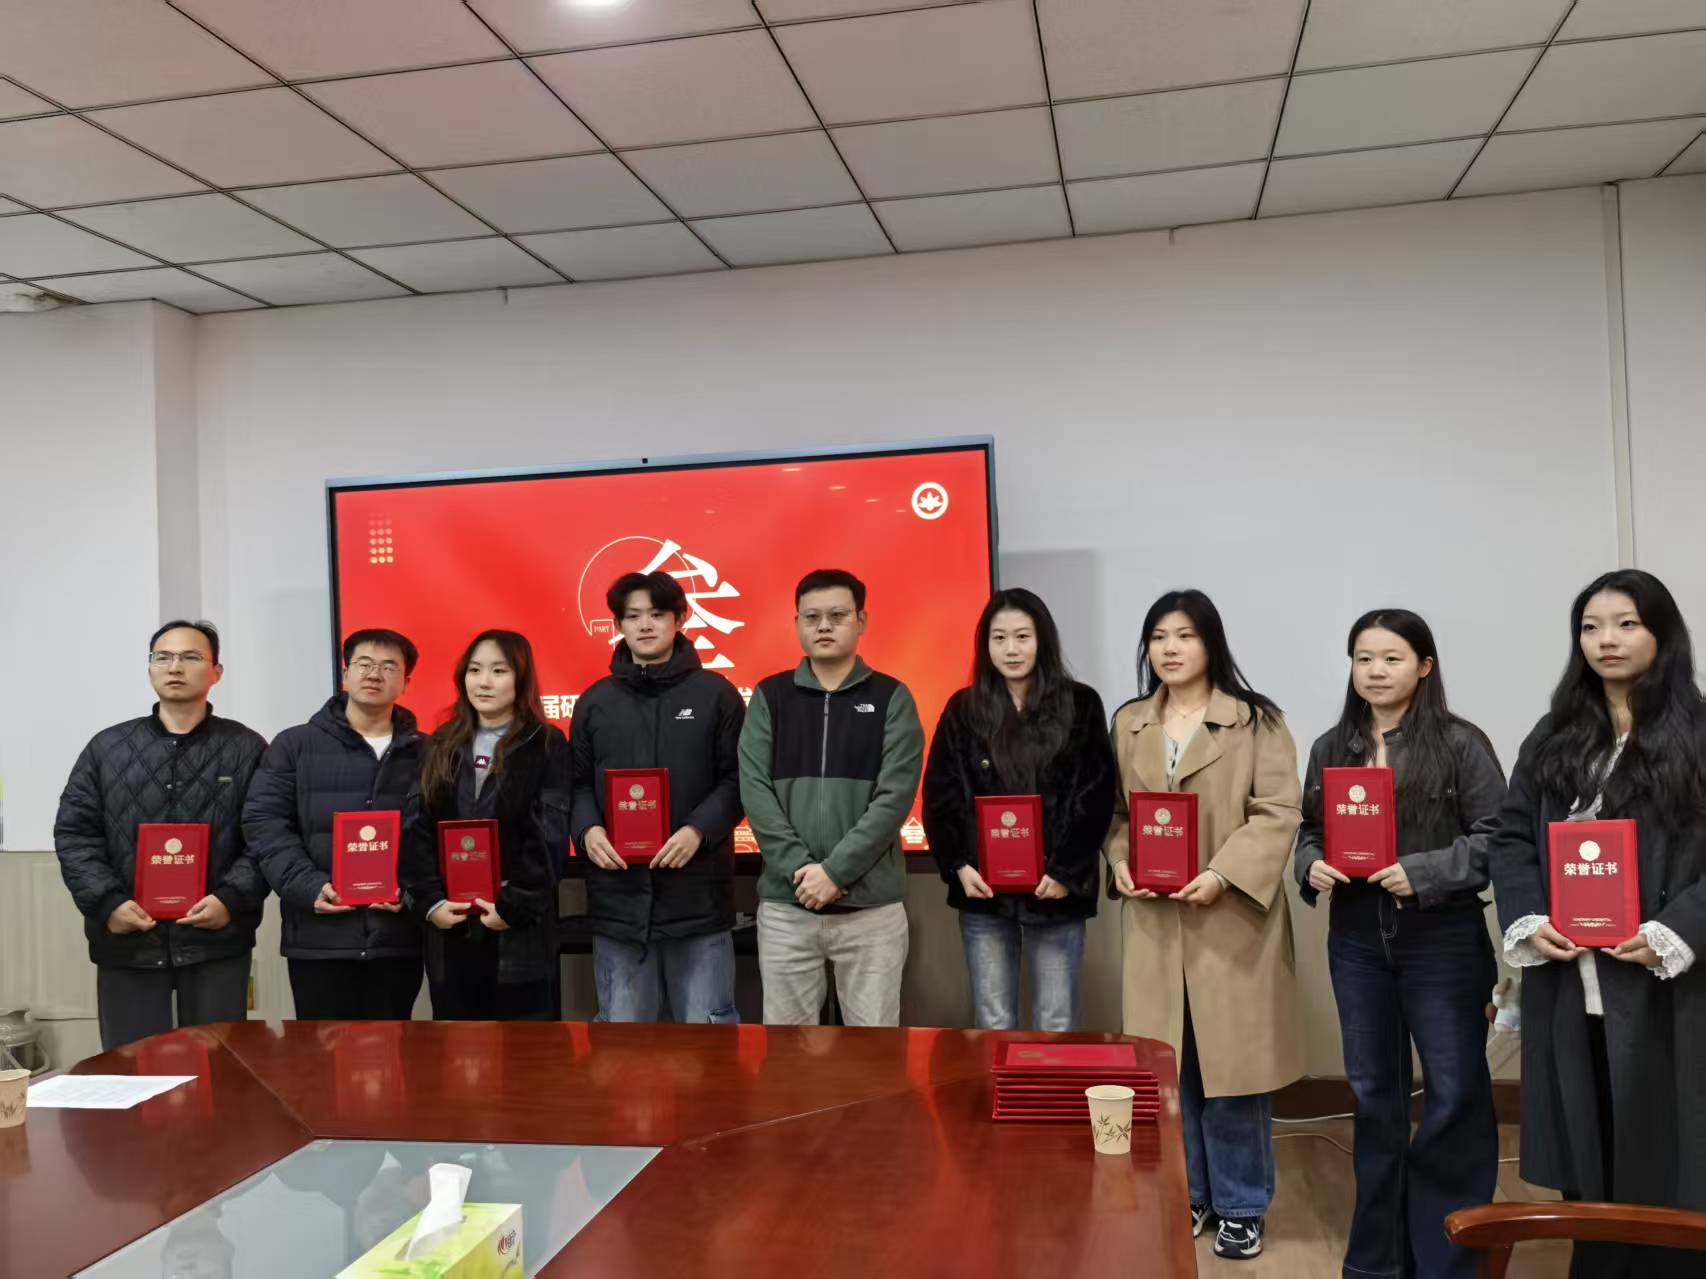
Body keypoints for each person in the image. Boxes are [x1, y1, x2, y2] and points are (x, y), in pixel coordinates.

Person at [1489, 569, 1706, 1279]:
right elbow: (1512, 836)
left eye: (1626, 623)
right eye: (1590, 626)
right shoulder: (1555, 735)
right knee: (1590, 1159)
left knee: (1669, 1159)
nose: (1606, 639)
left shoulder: (1699, 734)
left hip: (1666, 987)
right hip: (1571, 980)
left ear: (1662, 634)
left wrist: (1677, 928)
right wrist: (1528, 916)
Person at [1294, 609, 1507, 1279]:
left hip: (1440, 936)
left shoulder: (1461, 742)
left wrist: (1425, 871)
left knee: (1454, 1091)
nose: (1376, 670)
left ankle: (1445, 1259)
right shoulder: (1332, 746)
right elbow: (1307, 829)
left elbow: (1500, 837)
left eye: (1391, 658)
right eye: (1364, 658)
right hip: (1357, 937)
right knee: (1373, 1095)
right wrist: (1310, 863)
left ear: (1424, 666)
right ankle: (1377, 1261)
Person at [1104, 589, 1302, 1261]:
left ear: (1210, 642)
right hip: (1154, 922)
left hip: (1229, 918)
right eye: (1159, 636)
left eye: (1184, 635)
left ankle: (1241, 1205)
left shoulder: (1255, 720)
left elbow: (1278, 812)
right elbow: (1118, 815)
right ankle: (1186, 1193)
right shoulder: (1129, 721)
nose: (1170, 648)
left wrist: (1221, 873)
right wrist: (1120, 860)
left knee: (1232, 1071)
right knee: (1169, 1068)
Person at [53, 620, 268, 1050]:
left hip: (215, 939)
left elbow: (267, 836)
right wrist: (107, 903)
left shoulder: (247, 748)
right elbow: (75, 833)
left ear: (216, 672)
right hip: (128, 938)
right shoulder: (107, 748)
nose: (175, 667)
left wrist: (231, 899)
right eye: (163, 657)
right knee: (130, 1067)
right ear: (150, 667)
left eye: (190, 657)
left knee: (219, 1066)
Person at [922, 588, 1116, 1030]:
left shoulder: (1080, 704)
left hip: (1056, 892)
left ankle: (1053, 1086)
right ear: (985, 645)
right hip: (984, 893)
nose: (1011, 649)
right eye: (999, 638)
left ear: (1042, 640)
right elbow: (940, 795)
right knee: (993, 1021)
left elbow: (1096, 793)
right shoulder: (963, 709)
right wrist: (958, 865)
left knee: (1057, 1019)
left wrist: (1065, 872)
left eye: (1023, 636)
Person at [739, 568, 924, 1027]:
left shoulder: (892, 697)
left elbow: (894, 797)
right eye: (812, 617)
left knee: (874, 1051)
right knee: (788, 1052)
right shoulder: (770, 696)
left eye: (838, 615)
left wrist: (835, 872)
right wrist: (802, 871)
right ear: (797, 623)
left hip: (870, 909)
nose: (824, 626)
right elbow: (755, 790)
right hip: (787, 905)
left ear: (861, 621)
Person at [571, 571, 746, 1023]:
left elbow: (739, 780)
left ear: (679, 619)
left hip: (697, 897)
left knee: (708, 1039)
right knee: (623, 1044)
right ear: (618, 625)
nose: (645, 625)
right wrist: (587, 830)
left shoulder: (717, 695)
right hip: (619, 901)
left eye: (656, 614)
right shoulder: (594, 702)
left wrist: (698, 830)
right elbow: (576, 783)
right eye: (632, 616)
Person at [243, 629, 425, 1021]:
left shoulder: (428, 752)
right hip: (318, 936)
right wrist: (308, 885)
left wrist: (410, 889)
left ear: (406, 682)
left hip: (397, 936)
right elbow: (264, 823)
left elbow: (433, 835)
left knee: (392, 1051)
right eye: (364, 664)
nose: (374, 674)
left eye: (388, 666)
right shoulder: (294, 745)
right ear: (345, 675)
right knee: (321, 1053)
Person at [399, 630, 570, 1021]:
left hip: (517, 927)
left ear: (521, 679)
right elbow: (416, 828)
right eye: (474, 670)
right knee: (459, 1047)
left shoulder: (545, 742)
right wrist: (430, 902)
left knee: (527, 1047)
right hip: (451, 922)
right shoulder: (441, 742)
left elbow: (550, 833)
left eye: (499, 670)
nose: (484, 682)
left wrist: (513, 906)